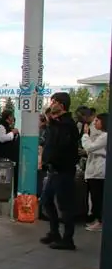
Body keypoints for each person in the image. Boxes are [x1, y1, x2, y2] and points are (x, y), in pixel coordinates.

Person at [40, 92, 80, 250]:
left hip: (64, 170)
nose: (51, 104)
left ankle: (68, 239)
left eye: (54, 101)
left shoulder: (67, 124)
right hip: (53, 170)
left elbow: (61, 145)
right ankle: (54, 231)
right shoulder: (56, 123)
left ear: (62, 105)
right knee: (46, 201)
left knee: (65, 206)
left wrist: (52, 122)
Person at [82, 113, 107, 232]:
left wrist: (85, 135)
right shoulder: (101, 135)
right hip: (94, 170)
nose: (95, 123)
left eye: (97, 121)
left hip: (99, 171)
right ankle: (97, 219)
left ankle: (100, 221)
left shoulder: (105, 136)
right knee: (94, 197)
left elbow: (90, 147)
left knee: (97, 197)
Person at [0, 110, 20, 195]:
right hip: (3, 157)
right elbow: (2, 138)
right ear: (8, 117)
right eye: (12, 116)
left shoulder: (7, 126)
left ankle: (8, 194)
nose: (13, 118)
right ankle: (0, 195)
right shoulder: (0, 126)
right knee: (2, 178)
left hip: (9, 157)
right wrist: (12, 133)